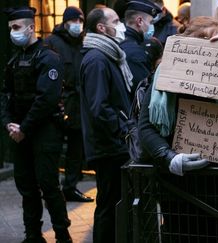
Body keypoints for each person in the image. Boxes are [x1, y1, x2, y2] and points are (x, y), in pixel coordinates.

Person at [137, 16, 218, 242]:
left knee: (214, 235)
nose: (208, 46)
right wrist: (169, 157)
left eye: (214, 41)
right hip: (177, 184)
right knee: (179, 233)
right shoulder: (165, 74)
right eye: (203, 39)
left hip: (217, 180)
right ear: (187, 42)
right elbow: (146, 125)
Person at [0, 6, 72, 243]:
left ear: (31, 27)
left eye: (17, 27)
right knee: (26, 186)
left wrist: (24, 128)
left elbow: (46, 100)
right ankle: (33, 234)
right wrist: (9, 123)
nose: (13, 32)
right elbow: (5, 95)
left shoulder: (48, 57)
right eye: (11, 28)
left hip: (44, 130)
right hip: (21, 131)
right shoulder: (14, 60)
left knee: (48, 184)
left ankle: (62, 234)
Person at [79, 7, 132, 243]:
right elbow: (99, 107)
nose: (120, 26)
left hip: (112, 144)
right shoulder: (97, 59)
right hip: (108, 147)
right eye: (116, 21)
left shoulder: (108, 55)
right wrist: (122, 130)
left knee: (114, 203)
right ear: (102, 28)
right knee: (109, 205)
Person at [44, 6, 94, 203]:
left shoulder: (84, 42)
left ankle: (70, 186)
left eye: (81, 21)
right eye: (74, 21)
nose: (78, 25)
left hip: (79, 104)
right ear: (65, 23)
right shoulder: (52, 42)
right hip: (60, 104)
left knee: (75, 149)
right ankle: (51, 188)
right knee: (53, 148)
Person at [120, 0, 162, 95]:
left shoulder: (123, 41)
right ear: (139, 21)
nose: (152, 27)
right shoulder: (135, 52)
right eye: (151, 22)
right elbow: (143, 92)